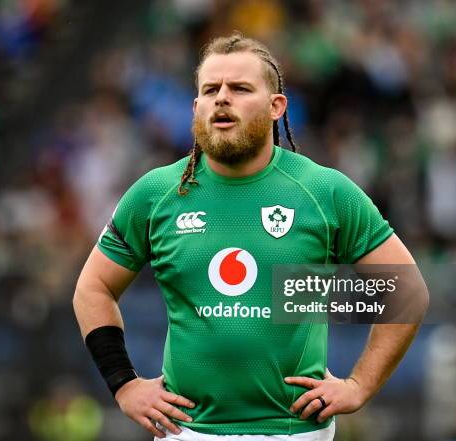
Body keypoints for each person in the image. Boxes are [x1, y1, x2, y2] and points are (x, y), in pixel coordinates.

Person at [73, 33, 428, 441]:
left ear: (277, 106)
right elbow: (93, 288)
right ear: (196, 108)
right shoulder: (155, 194)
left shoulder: (326, 191)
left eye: (240, 88)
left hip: (295, 433)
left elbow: (408, 290)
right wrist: (125, 384)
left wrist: (359, 385)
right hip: (186, 432)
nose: (222, 98)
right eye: (210, 90)